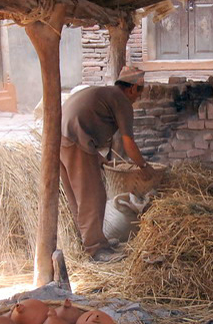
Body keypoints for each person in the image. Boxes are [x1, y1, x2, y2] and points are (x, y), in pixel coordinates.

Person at [60, 65, 154, 262]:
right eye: (139, 91)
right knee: (93, 196)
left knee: (77, 197)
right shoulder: (122, 100)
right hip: (76, 140)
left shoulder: (105, 93)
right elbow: (128, 142)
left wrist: (98, 157)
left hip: (59, 140)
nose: (138, 96)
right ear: (132, 88)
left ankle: (88, 241)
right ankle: (95, 249)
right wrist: (144, 166)